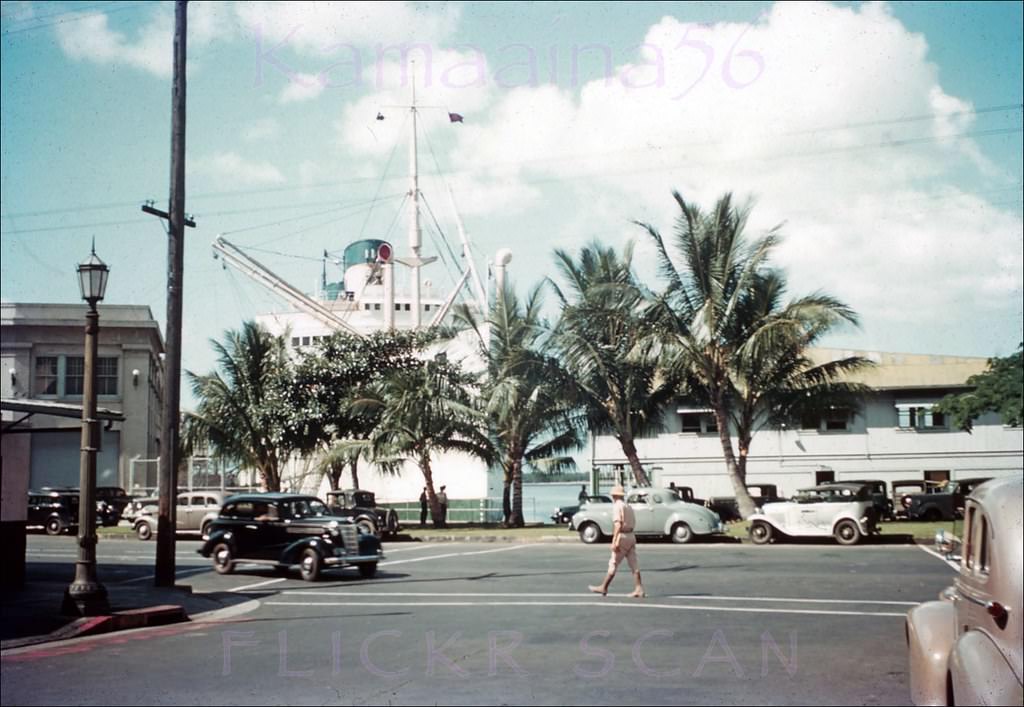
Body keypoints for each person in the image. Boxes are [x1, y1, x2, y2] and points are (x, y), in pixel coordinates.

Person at [588, 485, 645, 598]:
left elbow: (618, 524)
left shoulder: (617, 506)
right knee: (634, 563)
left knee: (613, 562)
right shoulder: (628, 506)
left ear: (614, 495)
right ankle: (639, 588)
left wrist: (614, 540)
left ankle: (604, 586)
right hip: (631, 535)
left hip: (622, 535)